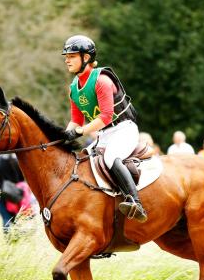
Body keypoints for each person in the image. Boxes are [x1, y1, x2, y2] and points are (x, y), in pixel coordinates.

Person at [61, 35, 146, 222]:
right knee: (82, 161)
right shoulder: (73, 87)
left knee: (109, 158)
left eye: (72, 56)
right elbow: (76, 119)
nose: (67, 59)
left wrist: (81, 131)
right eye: (66, 56)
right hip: (104, 134)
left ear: (86, 58)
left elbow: (106, 116)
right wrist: (63, 134)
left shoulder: (102, 81)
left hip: (124, 129)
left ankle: (135, 202)